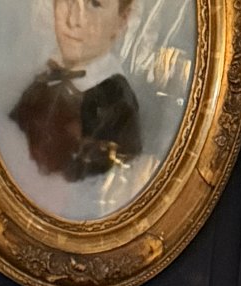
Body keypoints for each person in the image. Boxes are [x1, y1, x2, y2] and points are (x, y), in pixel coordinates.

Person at [12, 0, 143, 187]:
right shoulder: (44, 82)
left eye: (95, 4)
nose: (73, 20)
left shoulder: (117, 105)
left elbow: (93, 186)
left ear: (122, 19)